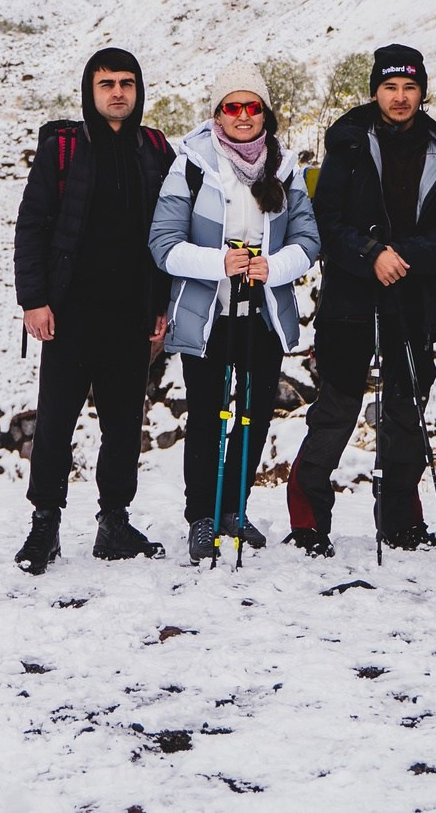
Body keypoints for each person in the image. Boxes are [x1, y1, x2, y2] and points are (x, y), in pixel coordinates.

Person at [290, 44, 436, 554]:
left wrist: (402, 255)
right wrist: (371, 254)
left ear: (421, 91)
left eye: (410, 87)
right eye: (390, 87)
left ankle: (401, 520)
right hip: (350, 295)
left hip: (410, 296)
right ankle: (308, 521)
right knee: (337, 406)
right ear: (375, 90)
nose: (400, 97)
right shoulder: (347, 140)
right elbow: (327, 220)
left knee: (406, 405)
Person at [9, 47, 177, 573]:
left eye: (127, 83)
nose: (118, 92)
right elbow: (32, 223)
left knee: (125, 423)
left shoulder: (154, 149)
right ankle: (45, 524)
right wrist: (33, 300)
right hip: (69, 313)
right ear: (91, 90)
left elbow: (166, 232)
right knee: (56, 419)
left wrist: (159, 303)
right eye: (107, 84)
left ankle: (114, 522)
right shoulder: (64, 148)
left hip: (130, 311)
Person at [150, 63, 322, 562]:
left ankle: (233, 509)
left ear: (264, 112)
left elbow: (308, 240)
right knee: (206, 416)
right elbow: (163, 244)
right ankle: (201, 516)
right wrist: (219, 263)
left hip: (263, 312)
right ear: (217, 114)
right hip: (207, 313)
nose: (243, 116)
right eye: (232, 107)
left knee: (253, 415)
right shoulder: (190, 164)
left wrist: (274, 266)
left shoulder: (284, 167)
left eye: (252, 107)